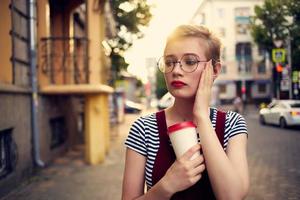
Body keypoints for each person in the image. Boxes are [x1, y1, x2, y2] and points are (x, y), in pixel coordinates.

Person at [122, 24, 249, 200]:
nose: (176, 71)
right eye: (169, 62)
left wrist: (202, 118)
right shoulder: (143, 128)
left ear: (215, 70)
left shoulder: (231, 124)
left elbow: (232, 196)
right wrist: (166, 186)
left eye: (190, 61)